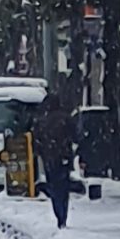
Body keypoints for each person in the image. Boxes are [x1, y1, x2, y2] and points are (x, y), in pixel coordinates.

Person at [33, 92, 79, 229]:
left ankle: (59, 213)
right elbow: (76, 136)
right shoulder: (66, 118)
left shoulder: (42, 121)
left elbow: (37, 141)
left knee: (54, 187)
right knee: (63, 188)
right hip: (63, 158)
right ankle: (63, 214)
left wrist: (41, 152)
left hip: (49, 159)